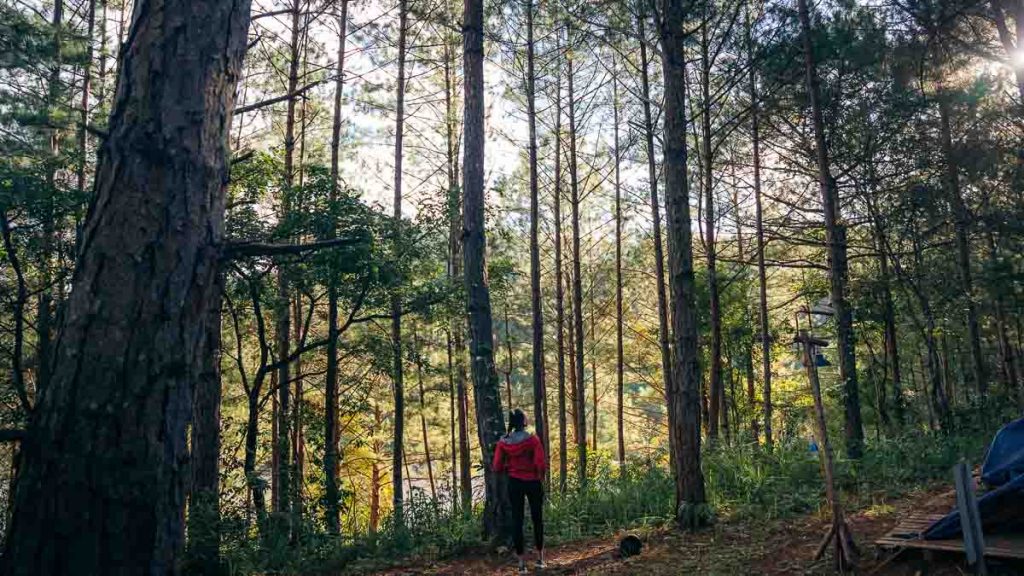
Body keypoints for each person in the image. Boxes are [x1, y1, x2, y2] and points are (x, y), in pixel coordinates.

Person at [492, 408, 547, 573]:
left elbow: (497, 466)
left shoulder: (503, 442)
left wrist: (509, 467)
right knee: (537, 519)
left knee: (517, 521)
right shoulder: (533, 440)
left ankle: (521, 564)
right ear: (524, 421)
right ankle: (540, 560)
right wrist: (540, 477)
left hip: (514, 483)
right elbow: (540, 463)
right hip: (533, 483)